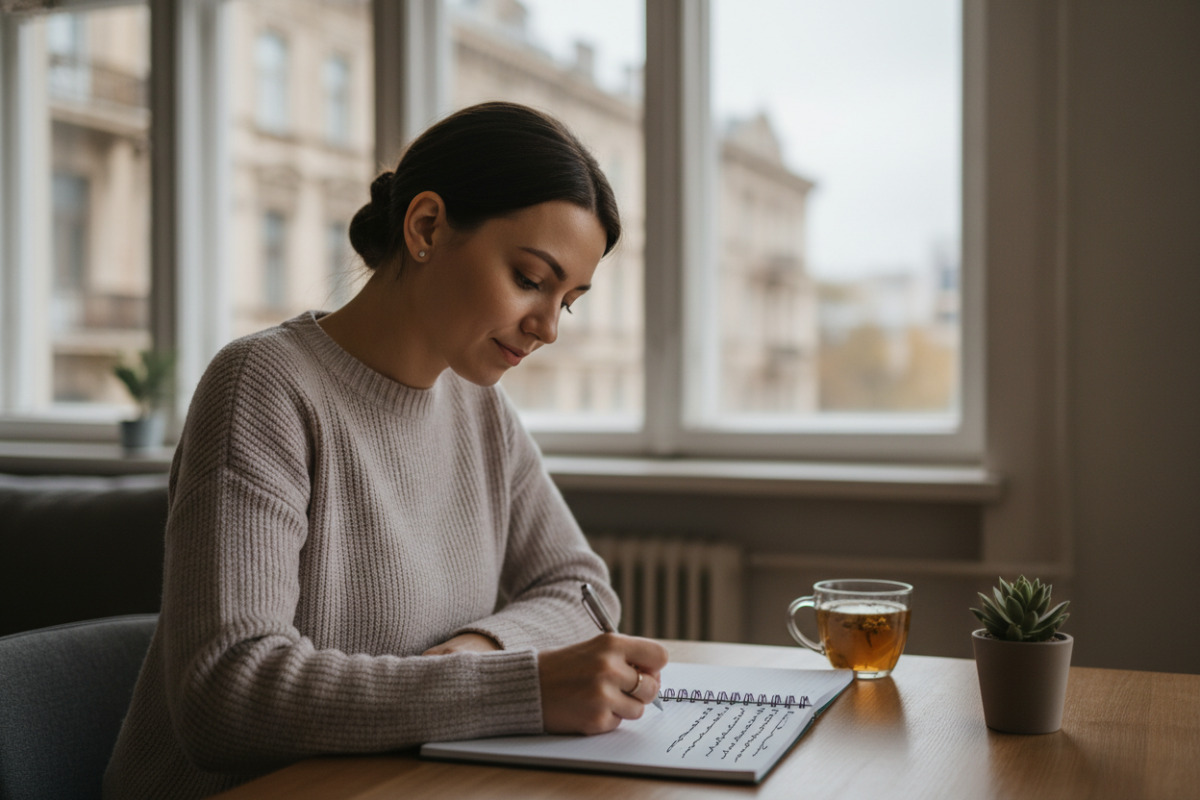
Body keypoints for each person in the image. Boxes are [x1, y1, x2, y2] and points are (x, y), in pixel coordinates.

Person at [103, 101, 668, 799]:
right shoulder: (264, 386)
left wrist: (479, 651)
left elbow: (582, 591)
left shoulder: (482, 410)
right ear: (426, 226)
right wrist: (515, 686)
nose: (548, 327)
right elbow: (227, 693)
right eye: (529, 279)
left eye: (569, 300)